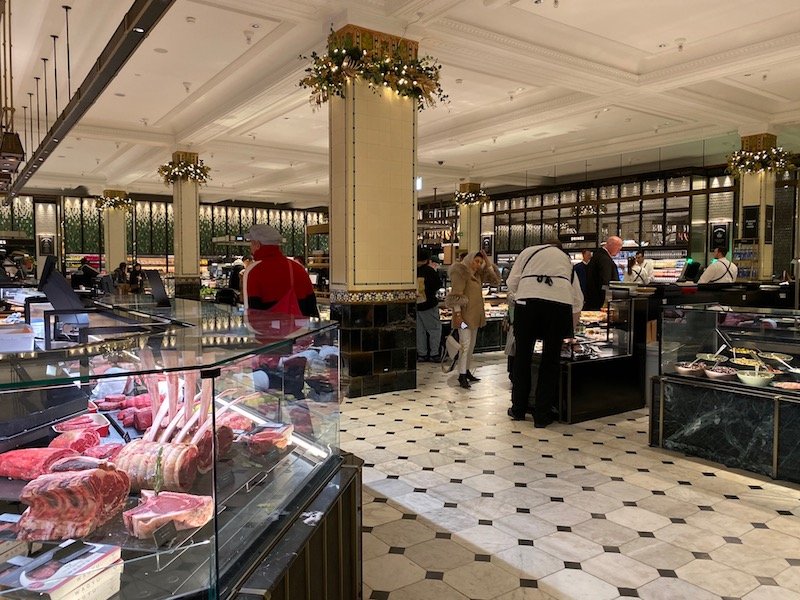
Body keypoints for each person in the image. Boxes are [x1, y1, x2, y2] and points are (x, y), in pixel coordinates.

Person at [506, 240, 583, 428]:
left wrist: (526, 294)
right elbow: (577, 298)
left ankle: (518, 409)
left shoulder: (528, 251)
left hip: (527, 304)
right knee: (550, 361)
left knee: (522, 357)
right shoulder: (565, 260)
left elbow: (511, 282)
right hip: (558, 306)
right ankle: (542, 415)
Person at [444, 250, 501, 389]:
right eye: (476, 261)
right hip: (463, 318)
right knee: (465, 344)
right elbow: (456, 295)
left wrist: (488, 264)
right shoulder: (460, 272)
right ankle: (462, 374)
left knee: (471, 345)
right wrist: (457, 315)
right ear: (470, 259)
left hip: (474, 317)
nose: (478, 264)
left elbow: (495, 281)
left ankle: (466, 370)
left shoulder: (477, 274)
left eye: (480, 262)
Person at [244, 223, 319, 317]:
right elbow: (312, 306)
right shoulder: (298, 268)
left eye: (251, 243)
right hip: (300, 329)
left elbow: (253, 310)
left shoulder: (254, 271)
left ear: (257, 244)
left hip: (268, 330)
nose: (250, 248)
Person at [416, 248, 442, 362]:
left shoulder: (412, 270)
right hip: (429, 305)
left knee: (419, 331)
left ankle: (422, 354)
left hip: (416, 305)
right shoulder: (429, 271)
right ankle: (434, 354)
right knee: (435, 329)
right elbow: (437, 285)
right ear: (427, 259)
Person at [584, 235, 623, 310]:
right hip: (599, 301)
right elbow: (605, 282)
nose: (619, 251)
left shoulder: (598, 255)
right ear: (611, 245)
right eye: (618, 248)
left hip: (592, 299)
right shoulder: (604, 259)